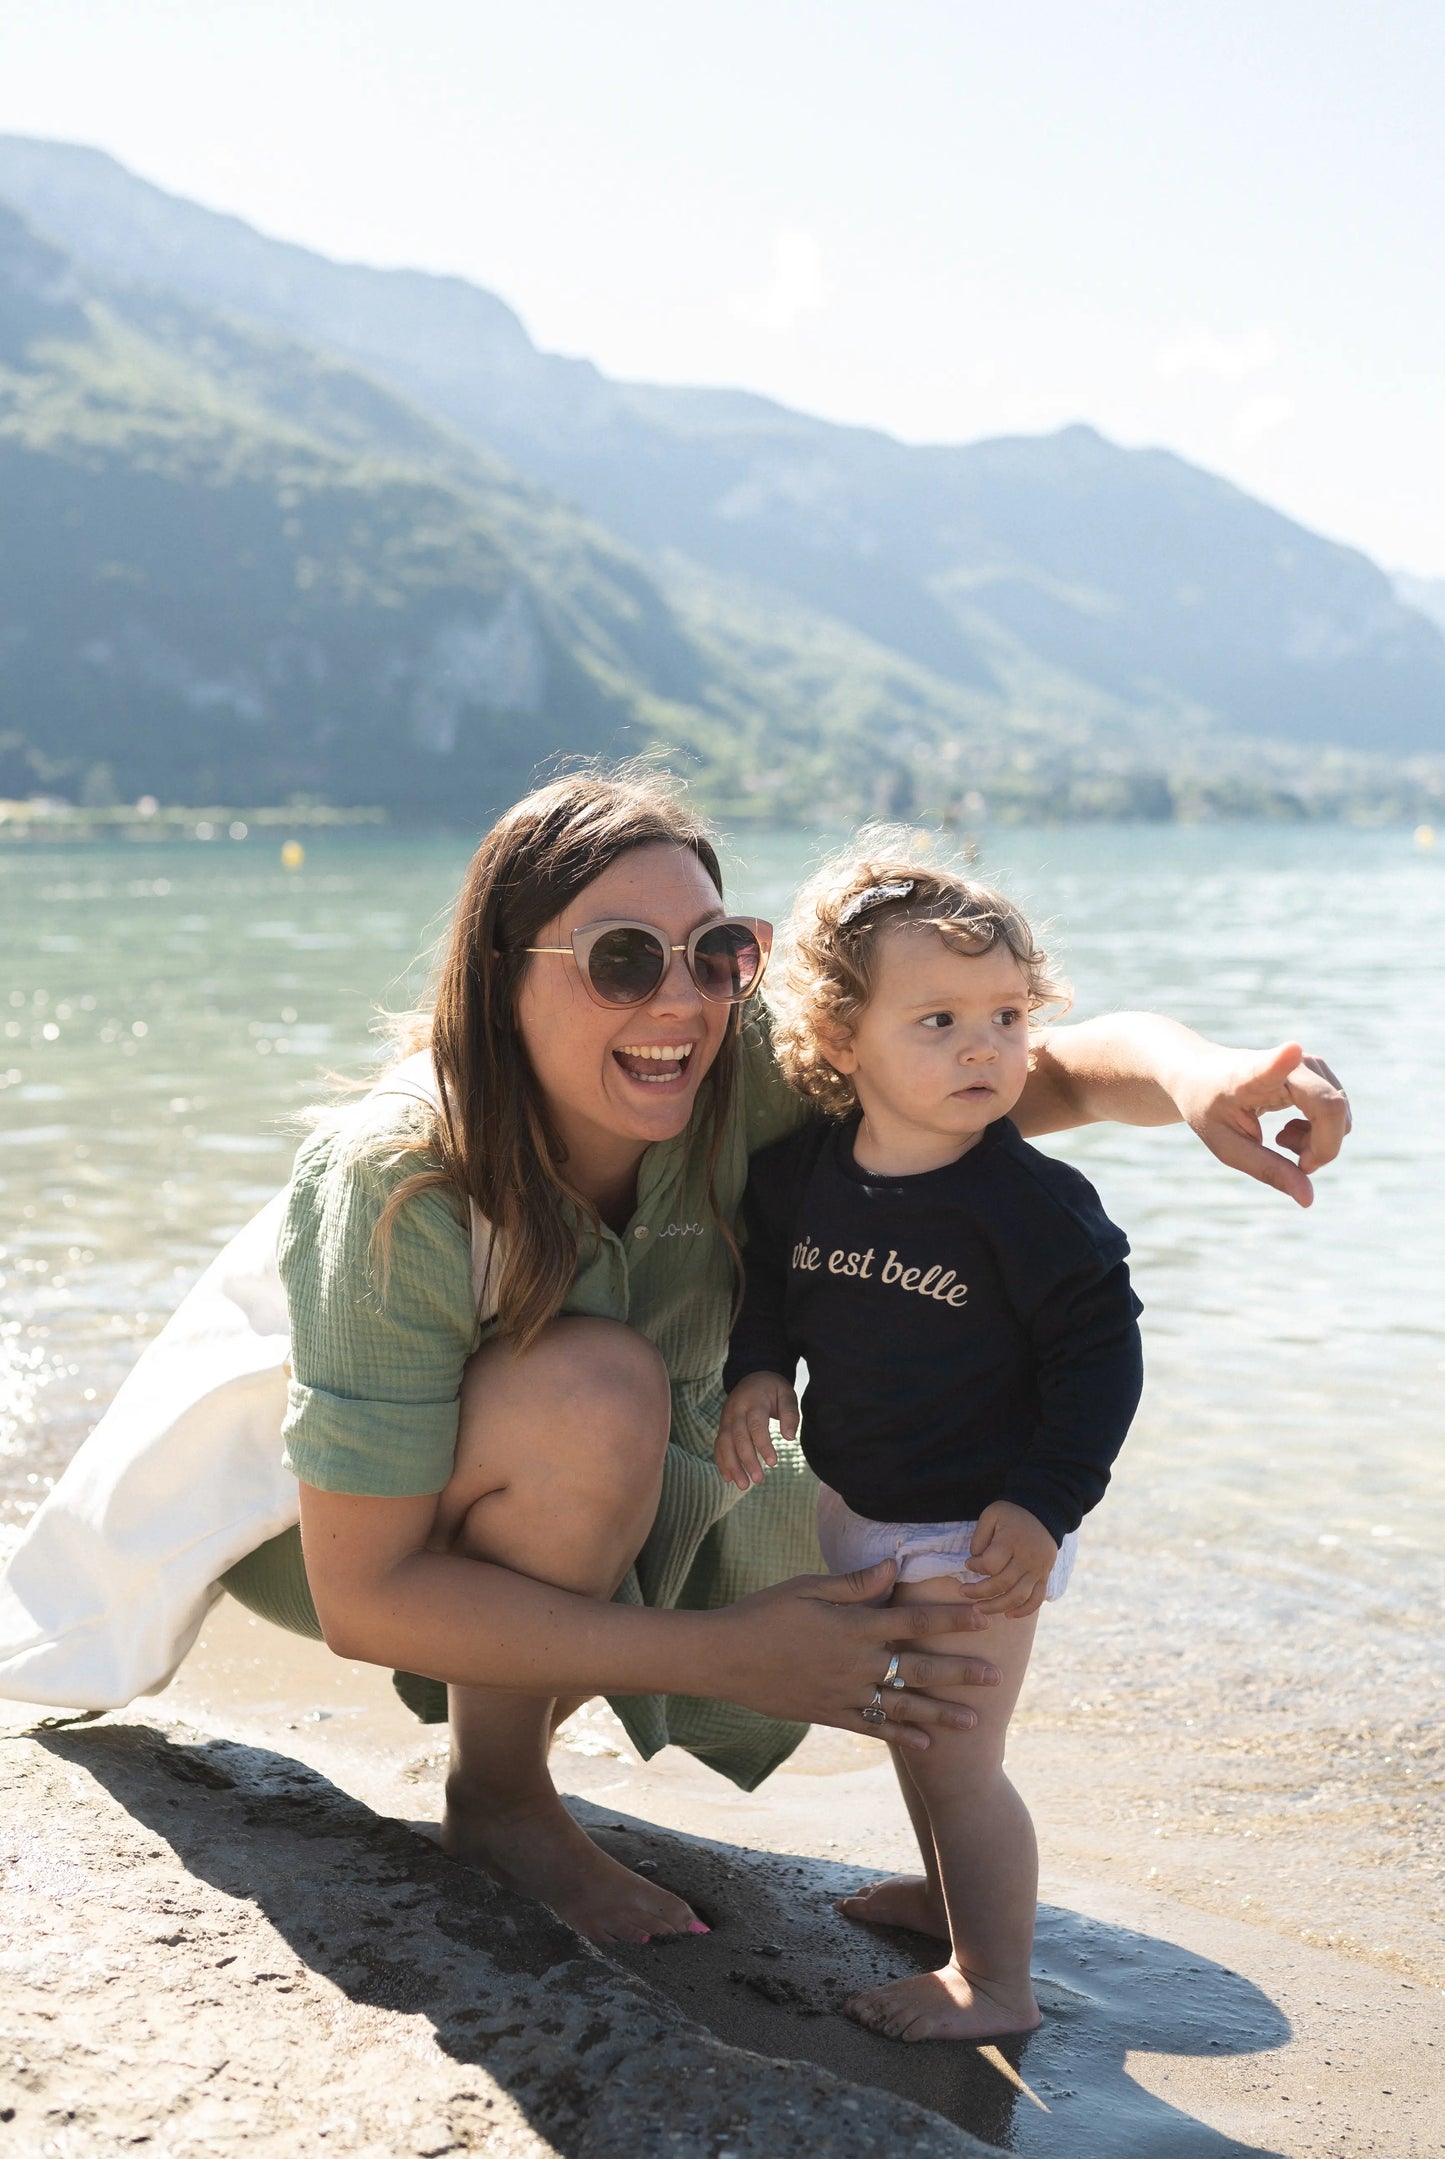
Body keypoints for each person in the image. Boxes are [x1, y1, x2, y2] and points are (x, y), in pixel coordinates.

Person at [221, 767, 1350, 1953]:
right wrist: (727, 1656)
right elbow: (366, 1595)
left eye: (714, 950)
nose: (679, 1002)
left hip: (642, 1475)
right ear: (503, 975)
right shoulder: (397, 1177)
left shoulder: (729, 1062)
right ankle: (497, 1798)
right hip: (358, 1535)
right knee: (597, 1389)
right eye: (620, 958)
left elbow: (1030, 1067)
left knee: (908, 1590)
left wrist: (1199, 1075)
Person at [717, 854, 1143, 2041]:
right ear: (840, 1038)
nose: (983, 1049)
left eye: (1007, 1017)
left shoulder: (1029, 1204)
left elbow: (1100, 1358)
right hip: (860, 1496)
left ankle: (995, 1983)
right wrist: (757, 1367)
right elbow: (767, 1290)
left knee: (957, 1748)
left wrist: (1046, 1500)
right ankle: (951, 1899)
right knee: (911, 1726)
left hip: (983, 1521)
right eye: (940, 1020)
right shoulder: (798, 1176)